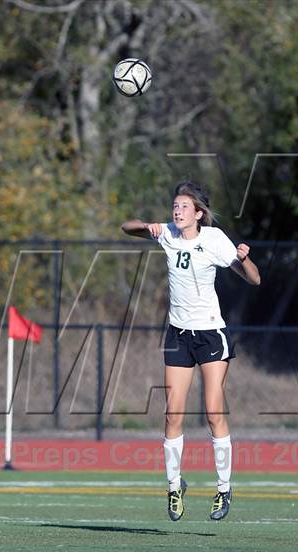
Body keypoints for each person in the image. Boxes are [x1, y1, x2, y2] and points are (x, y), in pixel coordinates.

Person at [121, 180, 261, 521]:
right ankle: (173, 487)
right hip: (178, 334)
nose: (177, 211)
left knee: (214, 412)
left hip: (211, 334)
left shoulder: (213, 240)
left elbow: (254, 279)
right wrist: (145, 227)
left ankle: (224, 489)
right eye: (175, 206)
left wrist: (245, 260)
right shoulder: (167, 233)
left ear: (199, 214)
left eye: (184, 207)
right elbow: (126, 228)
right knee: (173, 414)